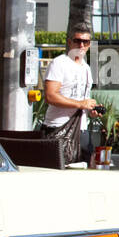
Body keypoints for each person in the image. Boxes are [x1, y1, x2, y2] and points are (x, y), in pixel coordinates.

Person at [43, 22, 101, 164]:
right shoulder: (59, 63)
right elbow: (50, 96)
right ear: (70, 42)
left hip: (81, 131)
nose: (81, 45)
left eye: (85, 42)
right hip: (58, 129)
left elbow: (83, 101)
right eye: (77, 41)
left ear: (89, 45)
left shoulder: (86, 68)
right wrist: (81, 104)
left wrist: (90, 110)